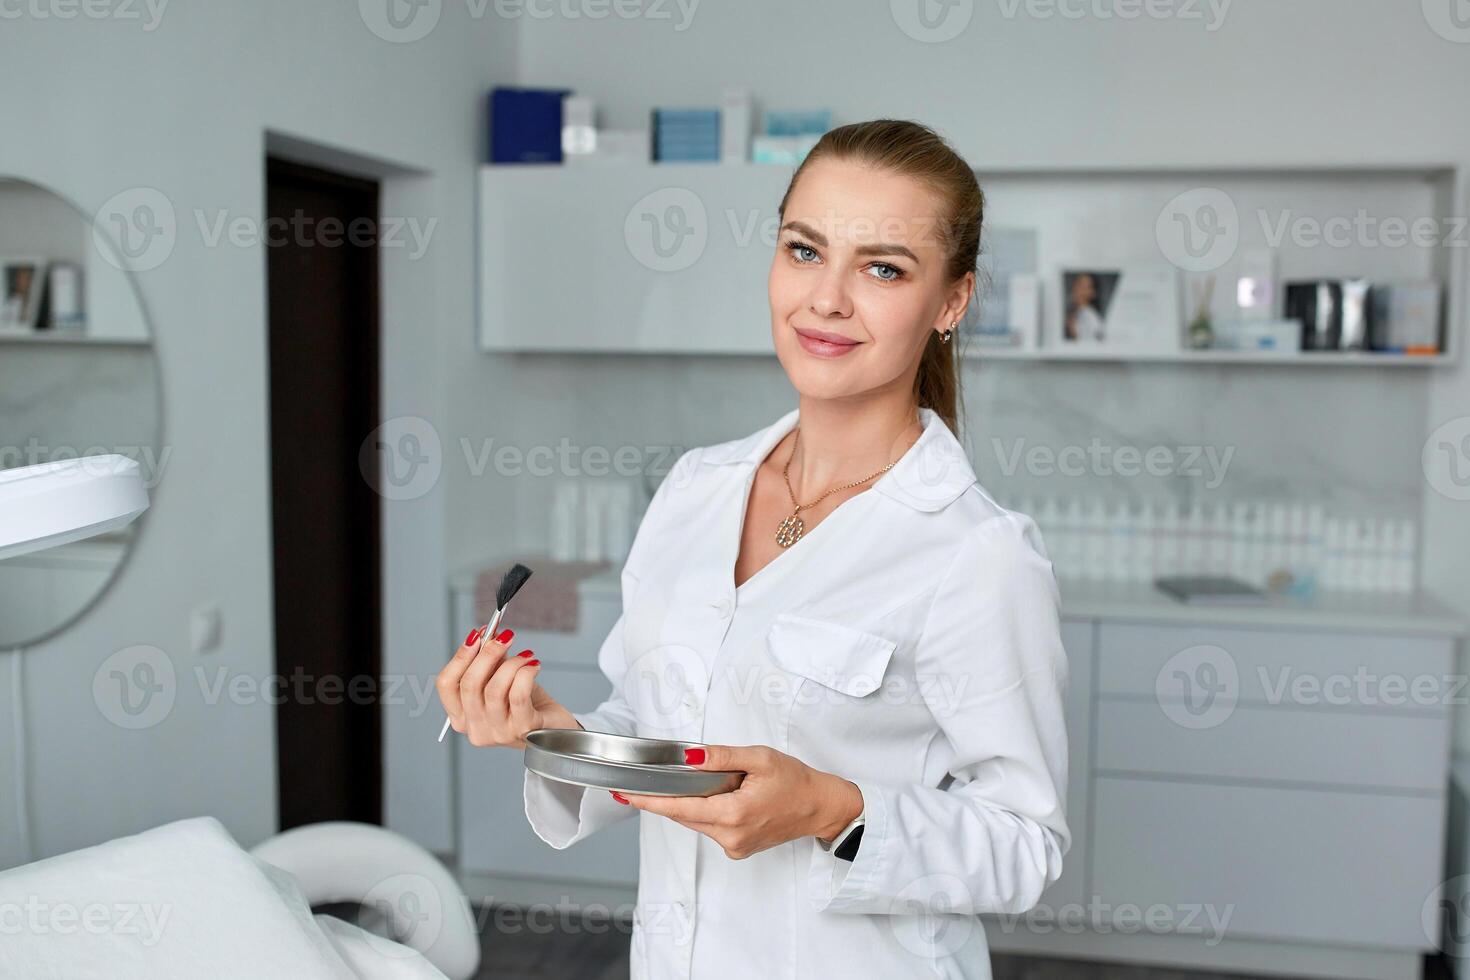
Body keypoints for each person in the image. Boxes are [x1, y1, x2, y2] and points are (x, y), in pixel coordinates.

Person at [435, 119, 1070, 979]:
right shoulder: (697, 489)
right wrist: (554, 735)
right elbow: (655, 722)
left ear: (951, 302)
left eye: (883, 268)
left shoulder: (976, 553)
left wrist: (832, 809)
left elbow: (1026, 845)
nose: (828, 298)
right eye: (805, 250)